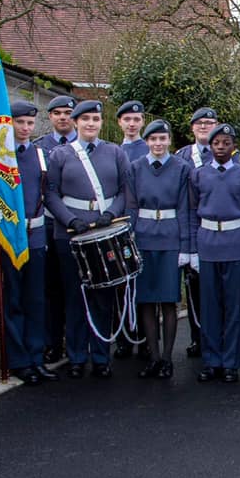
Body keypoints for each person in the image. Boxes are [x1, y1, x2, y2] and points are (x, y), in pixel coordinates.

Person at [44, 100, 131, 379]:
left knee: (103, 294)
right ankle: (77, 355)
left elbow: (124, 190)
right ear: (76, 123)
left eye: (95, 119)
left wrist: (111, 213)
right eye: (85, 119)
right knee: (74, 294)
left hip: (104, 231)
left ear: (101, 123)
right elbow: (51, 195)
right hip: (70, 233)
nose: (90, 124)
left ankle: (101, 355)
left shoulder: (115, 152)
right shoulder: (60, 155)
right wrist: (70, 220)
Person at [0, 101, 58, 385]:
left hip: (36, 236)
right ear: (9, 123)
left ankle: (36, 357)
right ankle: (19, 361)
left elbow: (48, 194)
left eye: (29, 123)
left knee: (36, 300)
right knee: (12, 300)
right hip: (8, 237)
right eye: (20, 123)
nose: (25, 128)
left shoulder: (40, 155)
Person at [189, 123, 240, 383]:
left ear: (233, 146)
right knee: (210, 306)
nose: (220, 147)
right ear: (210, 146)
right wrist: (193, 250)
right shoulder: (198, 175)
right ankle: (211, 360)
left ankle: (230, 363)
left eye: (226, 143)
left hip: (235, 242)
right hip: (207, 243)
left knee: (233, 307)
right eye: (216, 143)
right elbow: (192, 213)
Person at [127, 119, 191, 380]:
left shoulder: (181, 168)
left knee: (167, 299)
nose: (158, 144)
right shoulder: (135, 167)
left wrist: (185, 246)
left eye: (162, 139)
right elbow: (130, 205)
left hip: (170, 237)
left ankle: (167, 359)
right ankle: (152, 357)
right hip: (143, 237)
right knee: (145, 300)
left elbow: (186, 209)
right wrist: (129, 238)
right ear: (147, 141)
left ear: (169, 141)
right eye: (153, 139)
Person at [34, 94, 78, 364]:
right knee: (51, 287)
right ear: (49, 117)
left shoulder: (86, 147)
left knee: (76, 286)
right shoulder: (41, 147)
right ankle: (53, 342)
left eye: (67, 113)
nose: (63, 117)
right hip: (49, 223)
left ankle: (76, 344)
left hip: (79, 225)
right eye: (57, 113)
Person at [175, 106, 219, 358]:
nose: (204, 126)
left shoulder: (228, 155)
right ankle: (197, 337)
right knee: (194, 288)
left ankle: (216, 335)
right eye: (199, 123)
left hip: (219, 231)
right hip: (193, 229)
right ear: (192, 127)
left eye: (209, 122)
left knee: (216, 290)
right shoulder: (182, 157)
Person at [113, 100, 148, 360]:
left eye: (136, 120)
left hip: (143, 225)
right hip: (118, 224)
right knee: (120, 283)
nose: (132, 124)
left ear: (142, 122)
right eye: (127, 120)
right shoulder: (112, 151)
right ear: (120, 123)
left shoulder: (150, 149)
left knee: (141, 283)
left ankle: (143, 335)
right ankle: (124, 334)